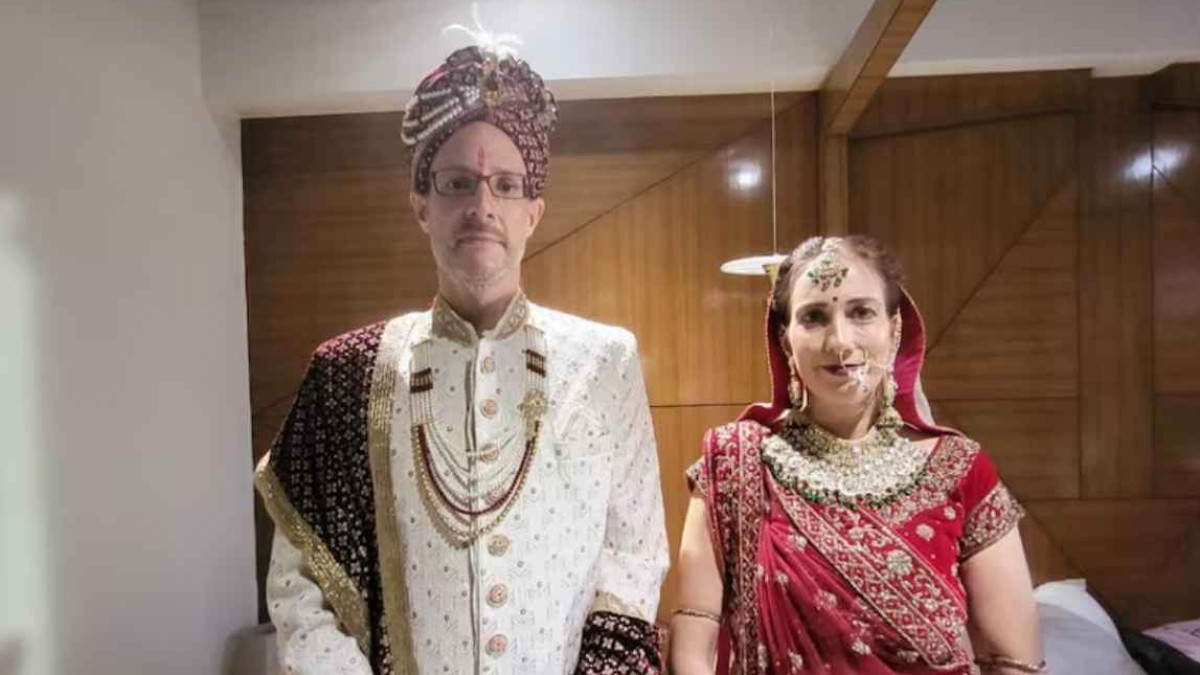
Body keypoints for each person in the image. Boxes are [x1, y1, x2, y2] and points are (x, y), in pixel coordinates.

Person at [255, 40, 669, 675]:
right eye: (457, 184)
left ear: (534, 212)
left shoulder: (605, 361)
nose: (482, 207)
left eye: (506, 185)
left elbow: (632, 560)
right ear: (421, 206)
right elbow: (300, 587)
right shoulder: (347, 374)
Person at [669, 235, 1044, 674]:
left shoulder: (958, 468)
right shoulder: (735, 465)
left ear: (894, 329)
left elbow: (1014, 661)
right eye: (814, 317)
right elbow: (693, 643)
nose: (840, 341)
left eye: (861, 312)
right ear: (786, 341)